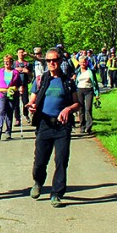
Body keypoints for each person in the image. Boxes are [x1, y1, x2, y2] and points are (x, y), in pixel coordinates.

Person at [26, 50, 78, 206]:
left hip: (62, 126)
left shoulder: (67, 81)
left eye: (54, 60)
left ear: (60, 60)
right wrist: (31, 107)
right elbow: (32, 100)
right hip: (44, 124)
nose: (51, 63)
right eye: (48, 60)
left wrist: (68, 109)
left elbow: (77, 103)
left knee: (61, 160)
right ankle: (38, 182)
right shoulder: (41, 80)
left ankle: (56, 193)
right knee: (40, 161)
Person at [0, 54, 22, 140]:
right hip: (1, 93)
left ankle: (8, 132)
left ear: (11, 63)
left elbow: (19, 84)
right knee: (1, 111)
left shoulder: (15, 72)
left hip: (12, 94)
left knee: (9, 112)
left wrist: (19, 89)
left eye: (8, 62)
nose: (6, 63)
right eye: (5, 62)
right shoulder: (0, 71)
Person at [73, 55, 100, 134]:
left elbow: (95, 83)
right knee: (81, 108)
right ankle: (82, 126)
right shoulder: (77, 72)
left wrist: (97, 93)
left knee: (88, 108)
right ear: (79, 63)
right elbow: (75, 82)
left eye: (84, 62)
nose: (83, 64)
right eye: (81, 62)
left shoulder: (91, 71)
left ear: (87, 62)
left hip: (89, 90)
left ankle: (89, 127)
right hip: (79, 90)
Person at [12, 48, 32, 126]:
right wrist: (16, 70)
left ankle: (26, 114)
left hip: (24, 84)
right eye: (19, 53)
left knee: (25, 101)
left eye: (22, 53)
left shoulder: (28, 64)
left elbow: (31, 76)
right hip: (15, 85)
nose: (21, 54)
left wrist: (27, 72)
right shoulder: (14, 64)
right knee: (16, 102)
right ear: (17, 54)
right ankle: (17, 118)